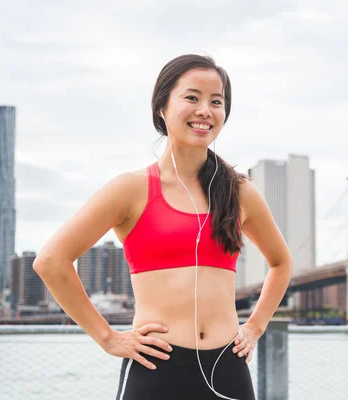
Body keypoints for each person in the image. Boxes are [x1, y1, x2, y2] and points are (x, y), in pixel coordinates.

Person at [34, 53, 293, 400]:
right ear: (161, 106)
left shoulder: (239, 192)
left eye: (216, 102)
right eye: (192, 97)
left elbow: (281, 263)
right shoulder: (131, 189)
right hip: (156, 368)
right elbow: (51, 260)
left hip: (228, 367)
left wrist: (256, 325)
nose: (205, 110)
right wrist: (109, 338)